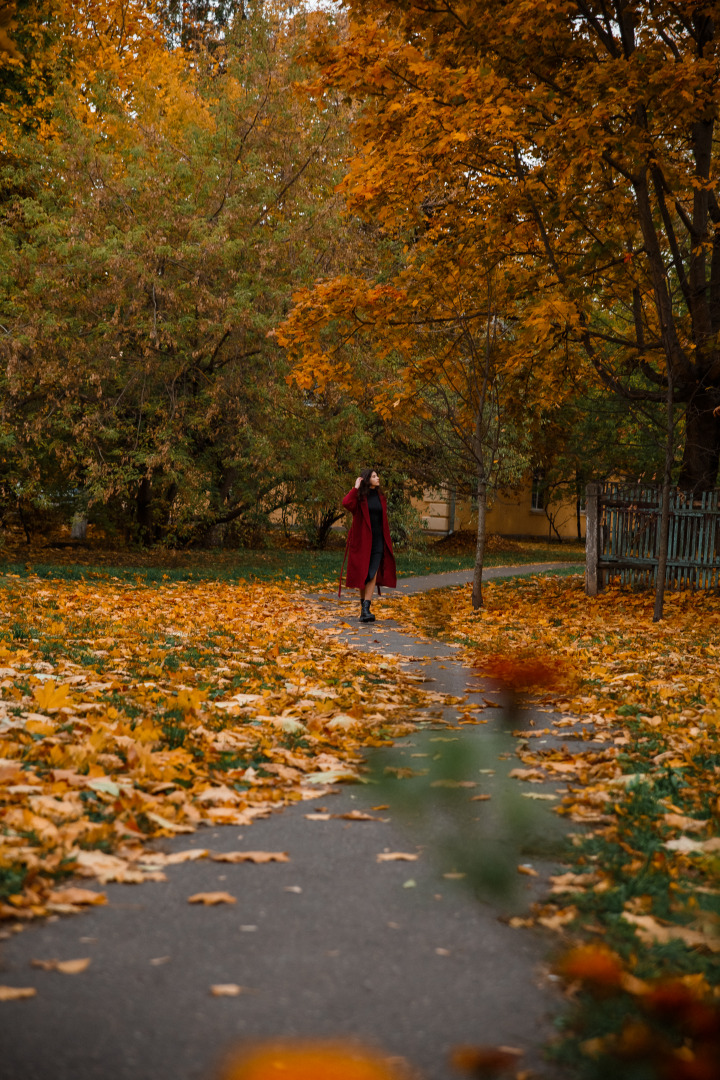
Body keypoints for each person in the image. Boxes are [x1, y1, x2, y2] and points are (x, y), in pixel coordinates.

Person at [339, 468, 397, 622]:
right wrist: (355, 487)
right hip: (363, 540)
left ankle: (366, 607)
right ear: (367, 479)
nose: (378, 478)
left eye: (377, 475)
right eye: (374, 476)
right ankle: (363, 608)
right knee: (363, 573)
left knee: (372, 571)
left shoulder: (380, 497)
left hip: (378, 539)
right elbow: (346, 503)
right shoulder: (359, 497)